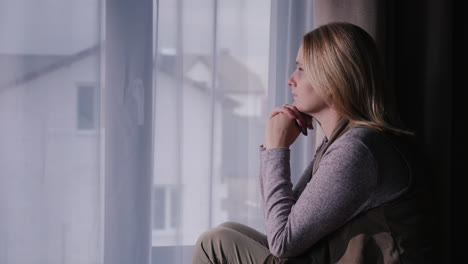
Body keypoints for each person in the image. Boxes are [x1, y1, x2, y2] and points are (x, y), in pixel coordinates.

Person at [192, 22, 431, 264]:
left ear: (332, 77)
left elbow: (282, 242)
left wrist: (277, 149)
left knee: (215, 242)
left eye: (301, 69)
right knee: (229, 229)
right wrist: (272, 146)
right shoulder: (344, 141)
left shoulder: (357, 149)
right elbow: (289, 223)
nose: (290, 80)